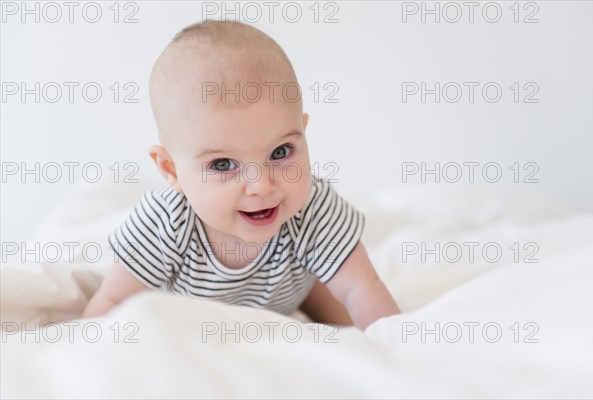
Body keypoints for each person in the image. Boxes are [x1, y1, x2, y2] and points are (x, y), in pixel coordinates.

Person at [82, 20, 400, 330]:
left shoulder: (312, 207)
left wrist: (399, 351)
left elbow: (363, 287)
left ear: (303, 133)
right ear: (171, 170)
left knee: (346, 309)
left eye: (280, 152)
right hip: (192, 320)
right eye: (223, 165)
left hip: (290, 293)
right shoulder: (165, 223)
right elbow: (111, 302)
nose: (261, 185)